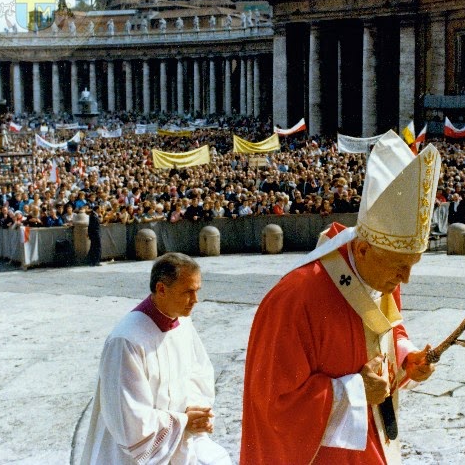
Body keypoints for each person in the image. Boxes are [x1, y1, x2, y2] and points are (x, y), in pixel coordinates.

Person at [241, 131, 441, 464]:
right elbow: (273, 404)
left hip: (373, 442)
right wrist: (354, 392)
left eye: (412, 265)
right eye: (400, 266)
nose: (405, 279)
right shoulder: (295, 298)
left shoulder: (382, 274)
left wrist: (407, 359)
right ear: (361, 249)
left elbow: (387, 332)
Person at [80, 253, 232, 464]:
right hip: (134, 454)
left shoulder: (182, 322)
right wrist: (183, 421)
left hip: (178, 440)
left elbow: (199, 373)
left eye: (197, 291)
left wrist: (196, 411)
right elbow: (128, 418)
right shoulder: (126, 340)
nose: (195, 300)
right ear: (161, 289)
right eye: (188, 292)